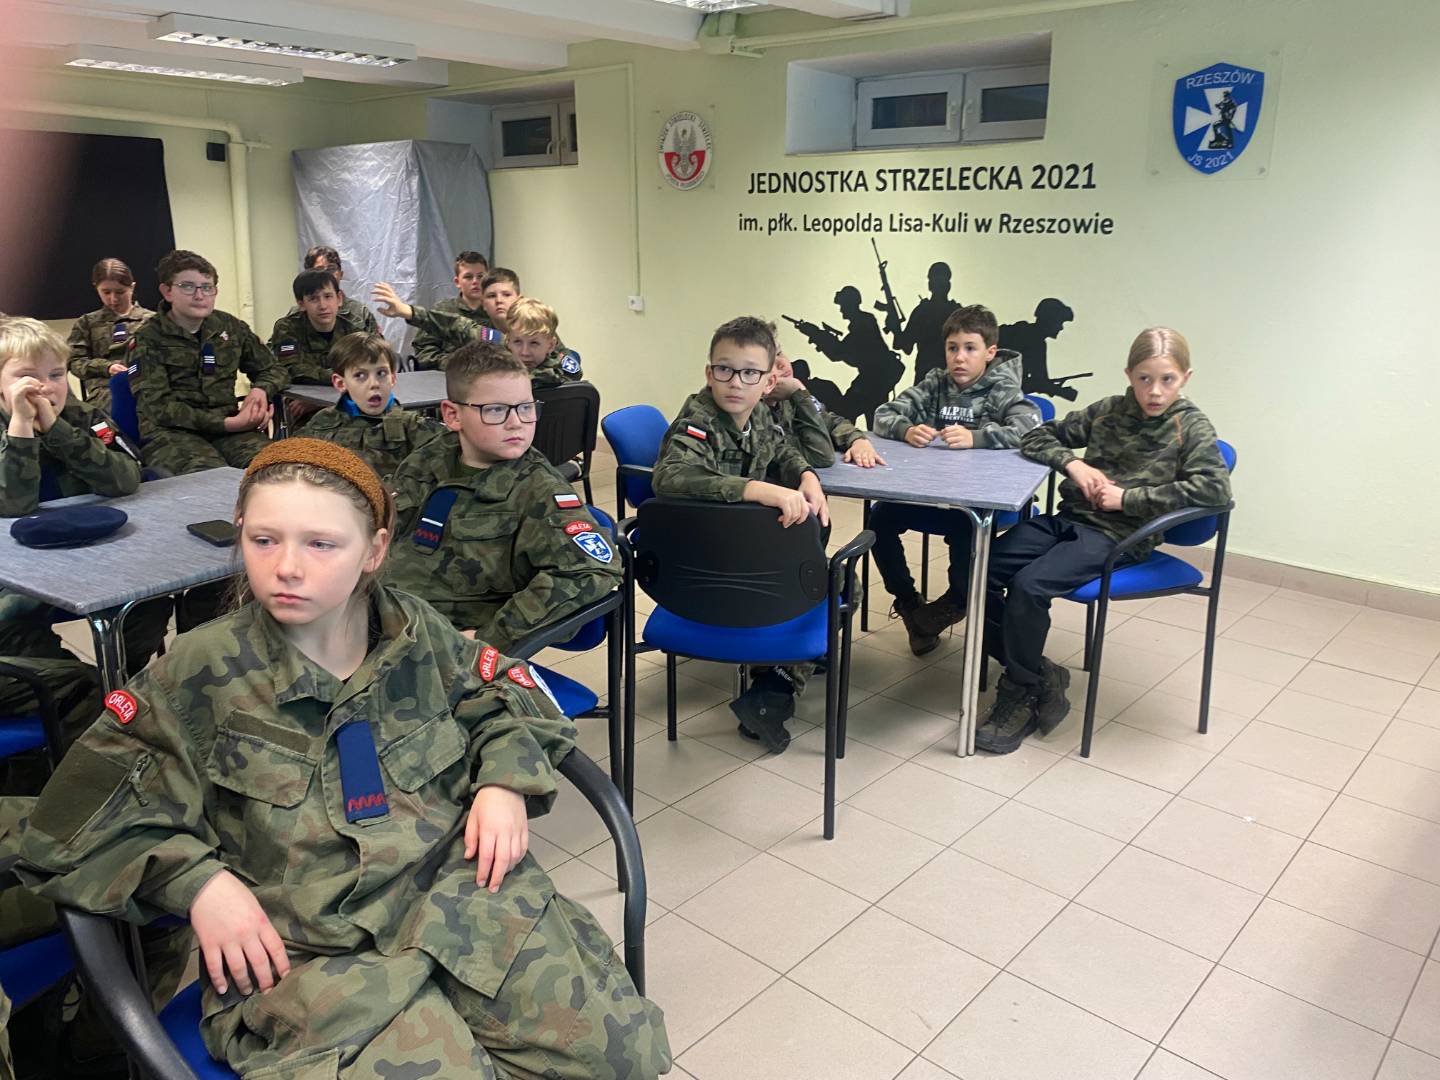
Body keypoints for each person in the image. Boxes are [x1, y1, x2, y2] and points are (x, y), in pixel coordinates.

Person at [16, 438, 672, 1079]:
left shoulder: (415, 632)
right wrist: (201, 884)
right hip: (312, 950)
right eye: (263, 540)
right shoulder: (197, 674)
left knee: (620, 1055)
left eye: (321, 544)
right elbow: (72, 828)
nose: (287, 567)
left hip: (461, 898)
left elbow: (508, 692)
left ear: (374, 550)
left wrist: (504, 780)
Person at [977, 326, 1232, 753]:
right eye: (1145, 378)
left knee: (1029, 586)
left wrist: (1129, 499)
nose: (1155, 391)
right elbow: (1035, 435)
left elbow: (1216, 490)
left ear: (1185, 377)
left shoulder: (1190, 426)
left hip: (1120, 535)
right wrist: (1072, 465)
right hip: (1070, 519)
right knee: (976, 568)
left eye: (1167, 379)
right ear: (1129, 374)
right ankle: (1040, 674)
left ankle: (1020, 689)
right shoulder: (1108, 411)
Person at [651, 316, 830, 753]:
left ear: (769, 382)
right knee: (840, 582)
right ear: (709, 372)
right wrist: (758, 489)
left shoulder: (758, 416)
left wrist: (806, 475)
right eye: (725, 369)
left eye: (750, 373)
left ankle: (771, 685)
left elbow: (782, 448)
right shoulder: (698, 421)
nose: (735, 382)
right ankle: (776, 684)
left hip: (737, 559)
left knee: (814, 563)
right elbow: (670, 476)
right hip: (704, 571)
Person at [0, 317, 169, 750]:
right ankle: (96, 713)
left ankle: (123, 684)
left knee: (148, 600)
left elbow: (125, 478)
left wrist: (58, 431)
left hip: (88, 558)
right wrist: (22, 429)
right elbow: (11, 506)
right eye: (26, 376)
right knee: (66, 681)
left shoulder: (83, 416)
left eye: (56, 374)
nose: (45, 386)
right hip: (15, 583)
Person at [388, 342, 620, 650]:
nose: (516, 423)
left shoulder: (539, 489)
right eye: (496, 410)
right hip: (383, 613)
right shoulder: (429, 458)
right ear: (453, 415)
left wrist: (486, 639)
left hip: (439, 643)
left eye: (526, 407)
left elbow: (591, 570)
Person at [870, 305, 1041, 655]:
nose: (959, 357)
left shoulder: (1002, 388)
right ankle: (909, 604)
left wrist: (976, 437)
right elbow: (883, 414)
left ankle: (955, 602)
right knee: (880, 518)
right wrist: (906, 430)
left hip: (979, 501)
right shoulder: (936, 382)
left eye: (970, 348)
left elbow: (1030, 428)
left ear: (989, 352)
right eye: (952, 348)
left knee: (966, 532)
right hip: (933, 492)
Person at [126, 249, 285, 474]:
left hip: (231, 431)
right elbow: (158, 407)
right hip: (172, 435)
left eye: (207, 287)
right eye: (188, 287)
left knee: (280, 468)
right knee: (211, 479)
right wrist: (227, 424)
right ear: (167, 291)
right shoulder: (148, 339)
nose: (200, 296)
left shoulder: (230, 328)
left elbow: (273, 368)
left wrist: (260, 391)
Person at [299, 332, 444, 482]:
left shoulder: (414, 428)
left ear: (393, 378)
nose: (374, 384)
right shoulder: (322, 423)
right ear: (340, 383)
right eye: (360, 375)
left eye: (381, 373)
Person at [763, 324, 882, 470]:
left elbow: (830, 422)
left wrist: (857, 440)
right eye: (769, 363)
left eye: (779, 353)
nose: (782, 363)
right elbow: (820, 457)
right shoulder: (752, 413)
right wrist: (799, 393)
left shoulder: (788, 399)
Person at [372, 251, 495, 370]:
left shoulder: (496, 311)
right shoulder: (444, 310)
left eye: (480, 276)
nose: (475, 281)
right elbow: (424, 351)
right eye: (468, 277)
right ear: (457, 282)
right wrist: (453, 364)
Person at [66, 257, 154, 412]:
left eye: (120, 292)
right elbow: (74, 361)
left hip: (146, 386)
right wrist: (107, 367)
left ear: (132, 287)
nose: (113, 299)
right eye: (106, 292)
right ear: (96, 289)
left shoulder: (152, 321)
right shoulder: (87, 323)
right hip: (105, 392)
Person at [268, 269, 375, 386]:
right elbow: (291, 369)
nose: (323, 306)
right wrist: (340, 377)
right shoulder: (288, 328)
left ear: (339, 299)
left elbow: (372, 363)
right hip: (302, 391)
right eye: (313, 299)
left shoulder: (353, 327)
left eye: (328, 296)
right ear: (301, 304)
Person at [892, 261, 961, 385]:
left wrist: (895, 328)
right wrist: (895, 327)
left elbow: (905, 346)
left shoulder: (925, 311)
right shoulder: (954, 312)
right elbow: (905, 345)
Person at [505, 297, 583, 388]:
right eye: (517, 341)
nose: (525, 352)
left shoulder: (559, 372)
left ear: (550, 345)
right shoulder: (500, 368)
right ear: (508, 342)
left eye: (534, 343)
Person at [301, 245, 379, 332]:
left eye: (331, 269)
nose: (326, 275)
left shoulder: (360, 313)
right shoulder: (298, 315)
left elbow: (376, 341)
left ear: (341, 274)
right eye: (319, 270)